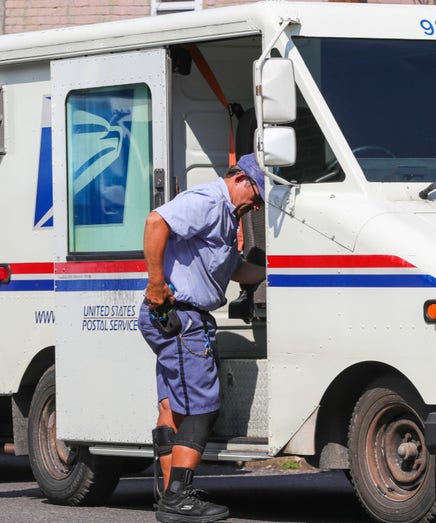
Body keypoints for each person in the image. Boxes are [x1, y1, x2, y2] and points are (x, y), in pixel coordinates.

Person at [138, 153, 267, 523]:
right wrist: (156, 283)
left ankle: (169, 495)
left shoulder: (228, 217)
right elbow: (155, 222)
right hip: (181, 317)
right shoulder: (210, 201)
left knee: (173, 408)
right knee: (202, 407)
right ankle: (179, 497)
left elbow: (236, 270)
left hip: (177, 317)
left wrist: (279, 271)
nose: (256, 204)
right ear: (240, 178)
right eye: (256, 195)